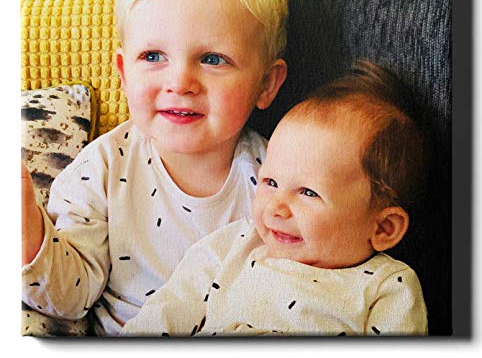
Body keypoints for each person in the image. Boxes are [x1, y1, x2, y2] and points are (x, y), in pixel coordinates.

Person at [21, 0, 291, 336]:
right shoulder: (103, 167)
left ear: (266, 84)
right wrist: (25, 228)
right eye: (153, 57)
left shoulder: (277, 177)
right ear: (124, 73)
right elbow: (71, 297)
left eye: (212, 59)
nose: (180, 83)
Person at [120, 61, 429, 336]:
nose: (277, 208)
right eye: (270, 182)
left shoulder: (387, 286)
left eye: (308, 193)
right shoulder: (237, 244)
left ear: (384, 228)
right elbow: (169, 309)